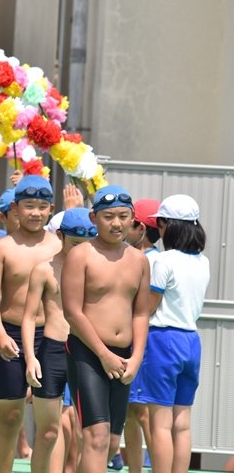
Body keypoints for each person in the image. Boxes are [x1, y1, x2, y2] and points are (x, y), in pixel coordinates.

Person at [62, 185, 149, 473]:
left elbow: (140, 312)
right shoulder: (81, 255)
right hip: (87, 353)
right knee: (96, 436)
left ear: (132, 218)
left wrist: (136, 357)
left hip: (124, 357)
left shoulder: (139, 260)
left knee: (112, 440)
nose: (116, 223)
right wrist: (102, 354)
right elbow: (72, 312)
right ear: (93, 217)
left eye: (123, 216)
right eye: (108, 216)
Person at [0, 175, 61, 473]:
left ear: (51, 209)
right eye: (29, 206)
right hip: (10, 335)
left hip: (50, 338)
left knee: (51, 422)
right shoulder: (3, 248)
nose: (36, 213)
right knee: (10, 415)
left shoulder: (59, 246)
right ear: (15, 208)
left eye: (42, 207)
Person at [22, 208, 97, 473]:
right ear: (61, 236)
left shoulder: (98, 268)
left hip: (86, 351)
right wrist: (30, 357)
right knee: (48, 433)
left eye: (88, 244)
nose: (82, 250)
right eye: (76, 244)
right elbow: (29, 317)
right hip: (52, 351)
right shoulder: (44, 270)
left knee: (89, 433)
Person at [141, 194, 210, 473]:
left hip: (163, 340)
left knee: (160, 422)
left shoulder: (164, 260)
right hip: (192, 342)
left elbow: (150, 307)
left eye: (160, 223)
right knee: (182, 423)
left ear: (168, 225)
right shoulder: (202, 261)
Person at [122, 199, 161, 473]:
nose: (124, 227)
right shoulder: (135, 256)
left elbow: (148, 306)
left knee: (143, 413)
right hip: (134, 342)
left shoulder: (152, 260)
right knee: (130, 414)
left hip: (144, 343)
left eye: (130, 222)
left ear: (142, 229)